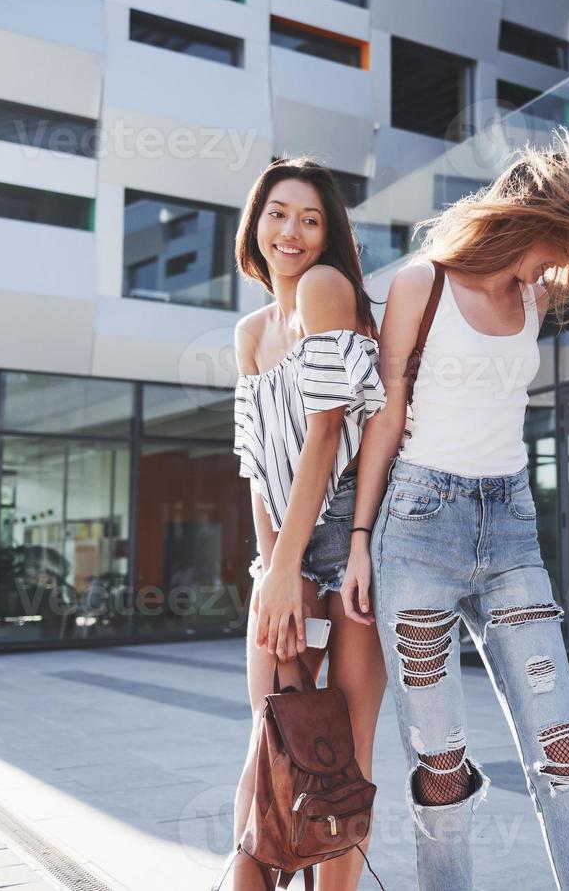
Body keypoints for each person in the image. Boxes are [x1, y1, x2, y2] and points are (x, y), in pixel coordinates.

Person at [339, 127, 569, 889]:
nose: (565, 260)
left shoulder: (531, 295)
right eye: (562, 239)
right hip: (419, 530)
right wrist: (360, 538)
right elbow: (387, 416)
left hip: (511, 534)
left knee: (565, 753)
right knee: (440, 769)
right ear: (528, 224)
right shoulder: (419, 284)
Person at [228, 157, 388, 890]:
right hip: (284, 552)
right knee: (272, 744)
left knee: (343, 761)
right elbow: (259, 467)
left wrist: (292, 567)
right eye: (278, 213)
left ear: (329, 235)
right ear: (255, 221)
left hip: (347, 536)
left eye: (310, 218)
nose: (290, 231)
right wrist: (270, 575)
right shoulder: (250, 332)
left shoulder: (326, 290)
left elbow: (327, 435)